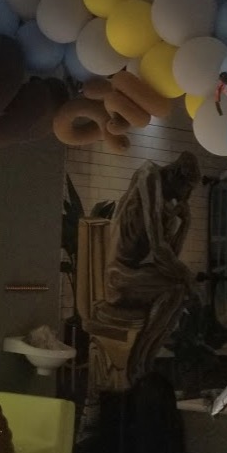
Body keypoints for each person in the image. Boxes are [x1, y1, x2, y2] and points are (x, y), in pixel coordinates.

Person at [95, 151, 201, 382]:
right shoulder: (149, 175)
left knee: (179, 290)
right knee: (177, 288)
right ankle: (137, 364)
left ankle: (146, 361)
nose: (186, 197)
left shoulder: (165, 207)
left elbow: (169, 257)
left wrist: (185, 223)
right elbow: (159, 250)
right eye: (188, 190)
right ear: (174, 175)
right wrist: (189, 278)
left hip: (132, 274)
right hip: (117, 275)